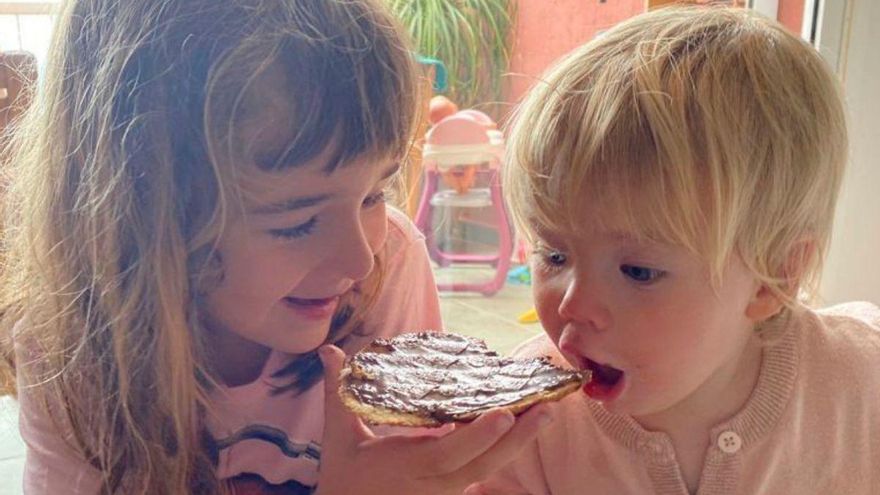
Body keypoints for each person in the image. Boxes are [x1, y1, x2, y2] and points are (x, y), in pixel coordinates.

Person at [0, 1, 551, 493]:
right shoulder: (65, 351)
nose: (358, 259)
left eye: (374, 194)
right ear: (135, 215)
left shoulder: (388, 266)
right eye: (295, 221)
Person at [469, 7, 880, 495]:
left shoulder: (859, 383)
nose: (571, 305)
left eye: (638, 271)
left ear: (773, 276)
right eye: (554, 255)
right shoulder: (530, 422)